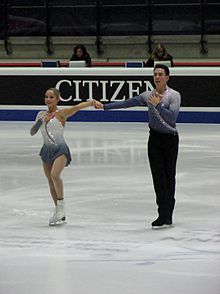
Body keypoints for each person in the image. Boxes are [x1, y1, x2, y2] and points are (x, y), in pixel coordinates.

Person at [95, 64, 181, 229]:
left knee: (169, 176)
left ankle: (168, 214)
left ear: (167, 77)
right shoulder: (147, 95)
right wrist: (105, 106)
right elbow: (128, 103)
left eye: (160, 74)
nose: (157, 77)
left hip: (170, 139)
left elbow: (172, 118)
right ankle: (162, 214)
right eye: (155, 74)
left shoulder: (174, 96)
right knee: (158, 177)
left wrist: (158, 105)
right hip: (154, 139)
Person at [30, 88, 95, 226]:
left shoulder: (61, 113)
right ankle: (59, 211)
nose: (48, 99)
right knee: (50, 180)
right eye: (46, 96)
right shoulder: (41, 114)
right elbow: (32, 131)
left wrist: (91, 103)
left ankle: (61, 206)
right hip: (46, 150)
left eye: (51, 97)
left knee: (54, 175)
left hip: (60, 150)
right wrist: (40, 121)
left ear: (58, 99)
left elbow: (77, 107)